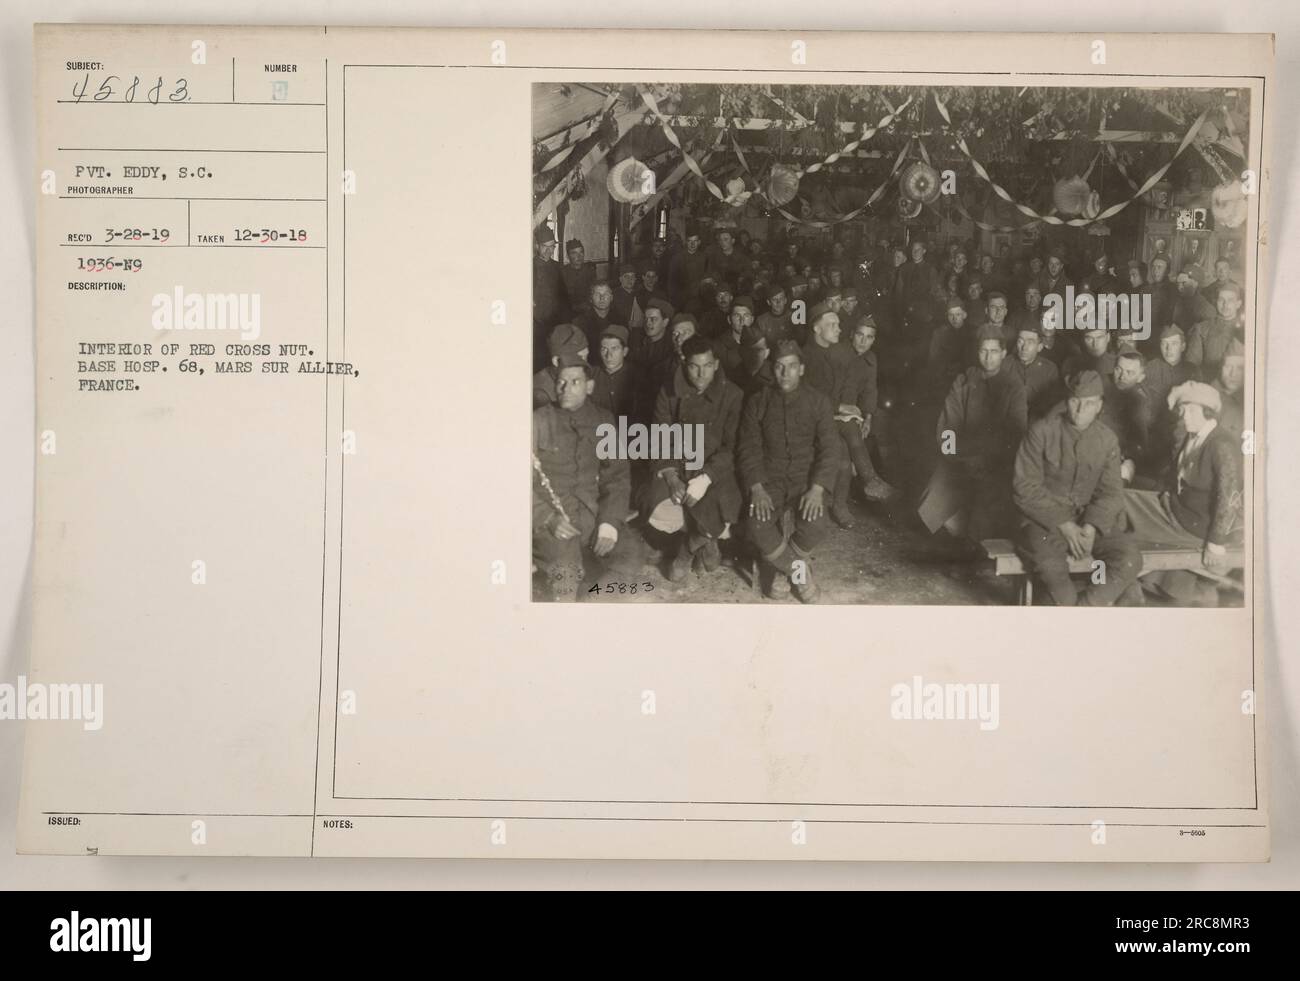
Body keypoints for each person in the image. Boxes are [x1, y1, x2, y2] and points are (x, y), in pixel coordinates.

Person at [1012, 370, 1141, 606]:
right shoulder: (1041, 431)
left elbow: (1111, 492)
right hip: (1044, 522)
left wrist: (1092, 526)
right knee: (1058, 584)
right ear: (1066, 401)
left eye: (1089, 403)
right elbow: (1025, 487)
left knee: (1129, 558)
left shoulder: (1107, 440)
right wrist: (1065, 525)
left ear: (1100, 406)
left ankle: (1085, 610)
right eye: (1075, 402)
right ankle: (1069, 609)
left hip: (1088, 521)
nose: (1081, 410)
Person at [737, 339, 842, 602]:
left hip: (805, 481)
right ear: (772, 369)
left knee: (817, 524)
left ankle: (781, 570)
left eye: (792, 366)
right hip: (769, 481)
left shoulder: (818, 402)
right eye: (780, 367)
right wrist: (757, 488)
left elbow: (830, 449)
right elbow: (748, 449)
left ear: (802, 369)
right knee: (756, 523)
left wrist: (817, 489)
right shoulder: (758, 402)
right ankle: (799, 572)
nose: (785, 373)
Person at [1124, 381, 1244, 602]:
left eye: (1191, 410)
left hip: (1195, 525)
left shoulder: (1221, 444)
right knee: (1126, 497)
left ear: (1207, 412)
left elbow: (1229, 495)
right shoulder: (1194, 437)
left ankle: (1119, 580)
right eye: (1182, 410)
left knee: (1124, 504)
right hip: (1179, 510)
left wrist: (1215, 543)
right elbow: (1175, 477)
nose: (1184, 416)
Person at [532, 357, 635, 601]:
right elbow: (517, 481)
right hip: (554, 521)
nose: (565, 389)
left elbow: (617, 477)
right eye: (561, 382)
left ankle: (591, 602)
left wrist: (609, 523)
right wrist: (547, 518)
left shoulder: (603, 420)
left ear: (589, 387)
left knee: (630, 554)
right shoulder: (537, 420)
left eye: (575, 382)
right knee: (566, 572)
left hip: (592, 514)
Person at [644, 335, 744, 582]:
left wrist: (707, 477)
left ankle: (688, 549)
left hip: (716, 466)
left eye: (707, 366)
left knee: (727, 503)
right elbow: (659, 437)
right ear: (683, 362)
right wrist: (670, 476)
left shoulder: (732, 394)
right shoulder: (668, 392)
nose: (701, 374)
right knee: (658, 501)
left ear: (717, 364)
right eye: (694, 366)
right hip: (678, 463)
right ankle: (706, 541)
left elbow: (733, 446)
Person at [918, 322, 1028, 543]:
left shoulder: (1013, 386)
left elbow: (1015, 432)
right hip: (960, 459)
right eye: (983, 351)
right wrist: (955, 457)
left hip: (996, 463)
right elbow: (949, 424)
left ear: (1004, 353)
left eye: (994, 351)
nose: (988, 357)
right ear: (977, 352)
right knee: (933, 501)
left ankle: (977, 540)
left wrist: (987, 458)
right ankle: (958, 537)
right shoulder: (963, 382)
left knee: (988, 511)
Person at [801, 304, 862, 528]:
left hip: (830, 418)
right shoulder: (806, 356)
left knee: (845, 451)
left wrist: (846, 409)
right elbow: (812, 397)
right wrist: (841, 409)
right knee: (842, 452)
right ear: (817, 329)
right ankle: (842, 503)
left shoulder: (836, 353)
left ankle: (842, 503)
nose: (838, 329)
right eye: (832, 325)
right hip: (811, 421)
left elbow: (847, 385)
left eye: (838, 324)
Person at [844, 315, 898, 501]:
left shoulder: (871, 359)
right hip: (841, 411)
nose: (863, 341)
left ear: (873, 340)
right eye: (859, 335)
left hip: (858, 411)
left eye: (868, 337)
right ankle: (867, 480)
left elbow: (870, 390)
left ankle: (887, 479)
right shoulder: (840, 355)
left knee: (884, 424)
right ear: (851, 335)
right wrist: (858, 417)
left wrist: (868, 416)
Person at [1100, 350, 1157, 484]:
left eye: (1129, 373)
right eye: (1118, 370)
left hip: (1119, 456)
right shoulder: (1099, 383)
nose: (1121, 377)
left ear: (1141, 377)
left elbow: (1140, 441)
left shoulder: (1141, 401)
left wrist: (1127, 460)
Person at [629, 298, 676, 424]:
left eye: (653, 319)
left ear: (665, 322)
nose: (648, 323)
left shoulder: (671, 349)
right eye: (646, 319)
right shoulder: (637, 343)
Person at [1187, 281, 1244, 383]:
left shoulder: (1246, 330)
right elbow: (1192, 364)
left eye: (1230, 300)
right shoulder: (1202, 328)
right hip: (1208, 384)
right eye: (1221, 300)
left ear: (1238, 304)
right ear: (1216, 302)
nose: (1225, 304)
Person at [1009, 323, 1060, 420]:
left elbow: (1053, 407)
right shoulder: (1005, 364)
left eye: (1030, 342)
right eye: (1020, 341)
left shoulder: (1050, 369)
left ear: (1040, 347)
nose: (1024, 347)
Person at [533, 322, 590, 408]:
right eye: (579, 358)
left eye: (586, 356)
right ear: (556, 361)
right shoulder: (540, 395)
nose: (585, 364)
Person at [533, 227, 565, 367]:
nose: (549, 251)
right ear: (537, 246)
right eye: (545, 247)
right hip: (536, 325)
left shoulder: (557, 267)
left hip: (555, 325)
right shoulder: (529, 267)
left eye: (552, 247)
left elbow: (564, 298)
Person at [591, 324, 636, 419]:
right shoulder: (591, 375)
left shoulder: (638, 377)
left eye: (614, 349)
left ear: (625, 351)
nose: (608, 355)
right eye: (604, 349)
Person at [712, 295, 756, 387]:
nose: (742, 320)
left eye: (746, 315)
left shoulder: (760, 343)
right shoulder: (718, 346)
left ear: (752, 319)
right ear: (729, 319)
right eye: (737, 315)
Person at [574, 281, 619, 364]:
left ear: (611, 297)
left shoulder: (620, 320)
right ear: (591, 298)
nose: (602, 298)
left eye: (606, 294)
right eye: (597, 294)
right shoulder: (580, 322)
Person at [561, 238, 597, 317]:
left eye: (581, 252)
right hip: (568, 313)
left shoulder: (589, 271)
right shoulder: (563, 273)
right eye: (574, 253)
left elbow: (594, 292)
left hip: (587, 312)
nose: (579, 256)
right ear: (568, 256)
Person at [611, 262, 645, 331]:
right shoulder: (613, 295)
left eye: (632, 276)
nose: (630, 279)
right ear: (620, 279)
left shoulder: (640, 294)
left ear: (635, 279)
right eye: (626, 276)